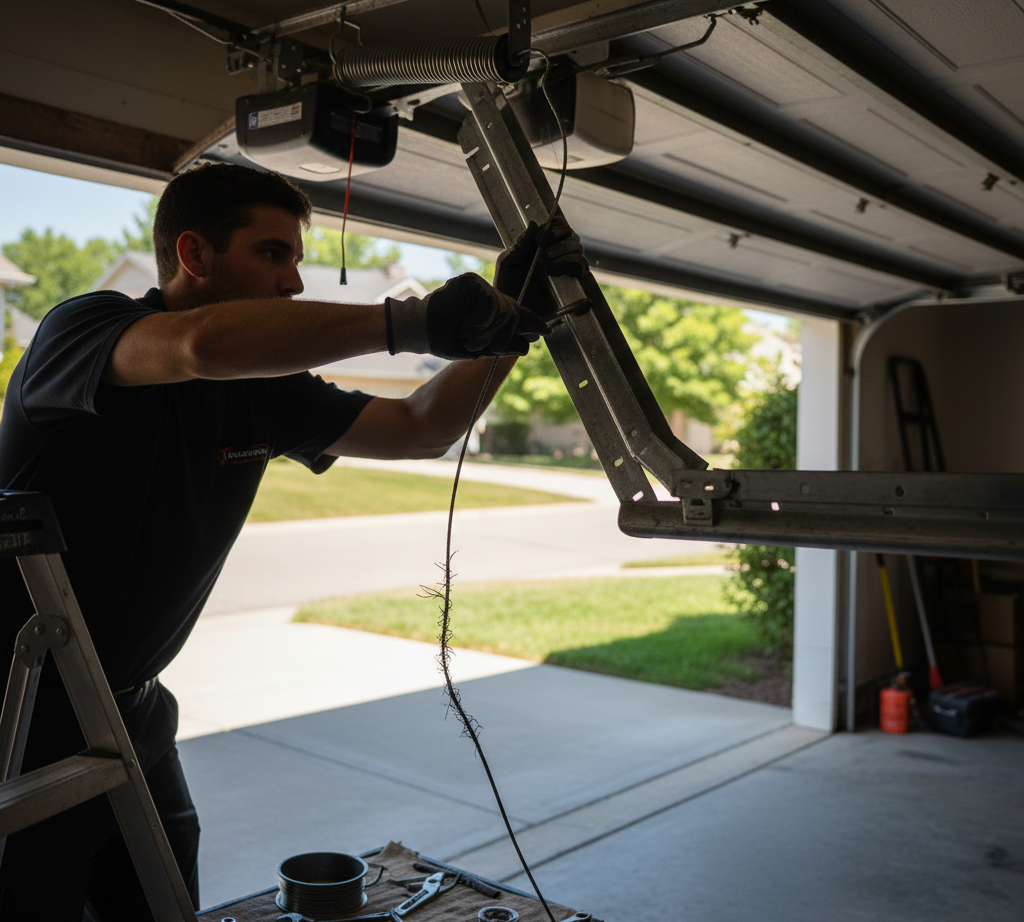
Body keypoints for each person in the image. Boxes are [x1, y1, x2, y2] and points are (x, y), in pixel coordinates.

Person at [0, 162, 586, 921]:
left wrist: (513, 325)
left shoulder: (265, 390)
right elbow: (199, 346)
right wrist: (410, 322)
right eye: (272, 254)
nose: (293, 281)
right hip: (19, 716)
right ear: (194, 254)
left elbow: (419, 428)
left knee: (161, 901)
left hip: (128, 710)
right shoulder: (81, 332)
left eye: (296, 259)